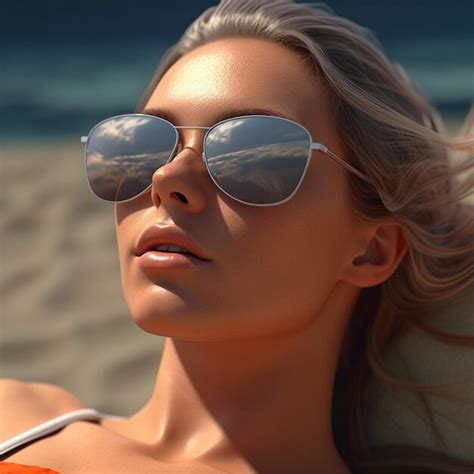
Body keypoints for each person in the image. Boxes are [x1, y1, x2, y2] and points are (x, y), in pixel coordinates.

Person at [1, 0, 473, 472]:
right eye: (139, 146)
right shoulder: (12, 419)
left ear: (372, 250)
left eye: (252, 154)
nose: (167, 179)